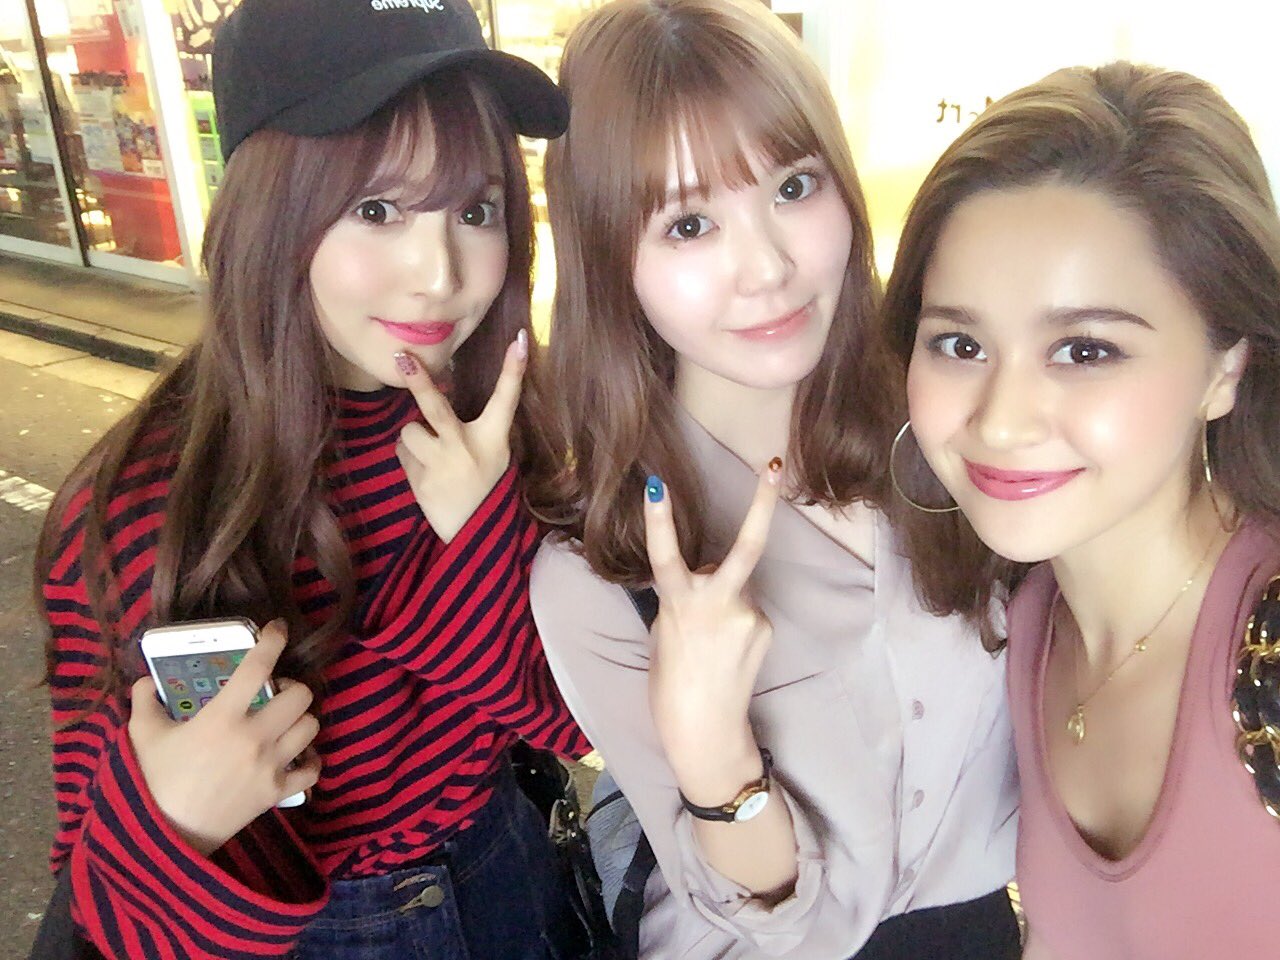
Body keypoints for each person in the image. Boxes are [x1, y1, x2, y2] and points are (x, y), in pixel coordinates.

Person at [33, 1, 592, 957]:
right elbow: (99, 903)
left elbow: (565, 720)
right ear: (272, 211)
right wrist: (174, 822)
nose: (439, 273)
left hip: (513, 871)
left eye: (476, 210)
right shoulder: (142, 508)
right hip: (312, 928)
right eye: (376, 210)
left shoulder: (497, 427)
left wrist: (482, 539)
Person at [524, 1, 1020, 957]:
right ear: (608, 257)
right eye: (689, 224)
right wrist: (714, 748)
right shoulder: (606, 573)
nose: (767, 268)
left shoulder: (951, 434)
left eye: (794, 186)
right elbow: (768, 920)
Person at [881, 61, 1280, 960]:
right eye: (960, 343)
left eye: (1086, 350)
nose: (1001, 420)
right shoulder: (1026, 620)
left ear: (1225, 367)